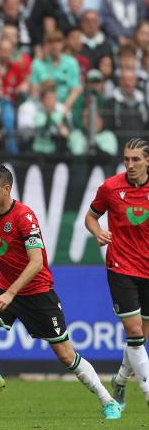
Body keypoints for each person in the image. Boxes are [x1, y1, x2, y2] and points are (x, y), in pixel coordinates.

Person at [0, 165, 121, 420]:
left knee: (65, 355)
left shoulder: (25, 217)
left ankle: (108, 400)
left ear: (6, 189)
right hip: (6, 289)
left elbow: (36, 262)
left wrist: (11, 293)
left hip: (37, 293)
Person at [85, 138, 149, 412]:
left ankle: (120, 380)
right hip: (120, 267)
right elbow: (90, 216)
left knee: (141, 337)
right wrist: (97, 231)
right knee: (133, 331)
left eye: (136, 159)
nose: (130, 164)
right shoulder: (110, 187)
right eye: (127, 159)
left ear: (148, 161)